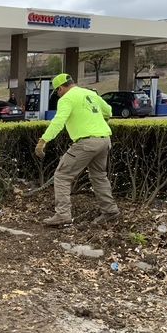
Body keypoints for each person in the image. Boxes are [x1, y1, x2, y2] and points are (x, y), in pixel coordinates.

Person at [34, 73, 120, 227]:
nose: (58, 94)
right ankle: (110, 211)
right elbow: (108, 111)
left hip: (86, 143)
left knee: (62, 175)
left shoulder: (66, 99)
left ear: (61, 88)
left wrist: (43, 140)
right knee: (99, 176)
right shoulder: (90, 93)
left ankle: (63, 215)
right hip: (104, 140)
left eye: (57, 91)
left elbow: (59, 121)